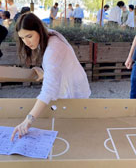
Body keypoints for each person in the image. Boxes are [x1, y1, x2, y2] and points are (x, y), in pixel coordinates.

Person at [11, 12, 91, 140]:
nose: (26, 42)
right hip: (69, 82)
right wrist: (45, 73)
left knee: (74, 128)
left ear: (39, 30)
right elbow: (57, 67)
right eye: (22, 38)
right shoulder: (49, 34)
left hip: (74, 89)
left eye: (29, 36)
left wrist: (28, 120)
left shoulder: (53, 49)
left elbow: (48, 90)